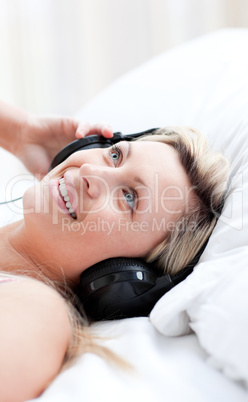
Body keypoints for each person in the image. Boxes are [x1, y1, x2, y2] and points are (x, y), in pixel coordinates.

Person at [0, 102, 229, 401]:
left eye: (130, 198)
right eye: (115, 155)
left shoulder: (36, 311)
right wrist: (21, 132)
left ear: (125, 273)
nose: (90, 171)